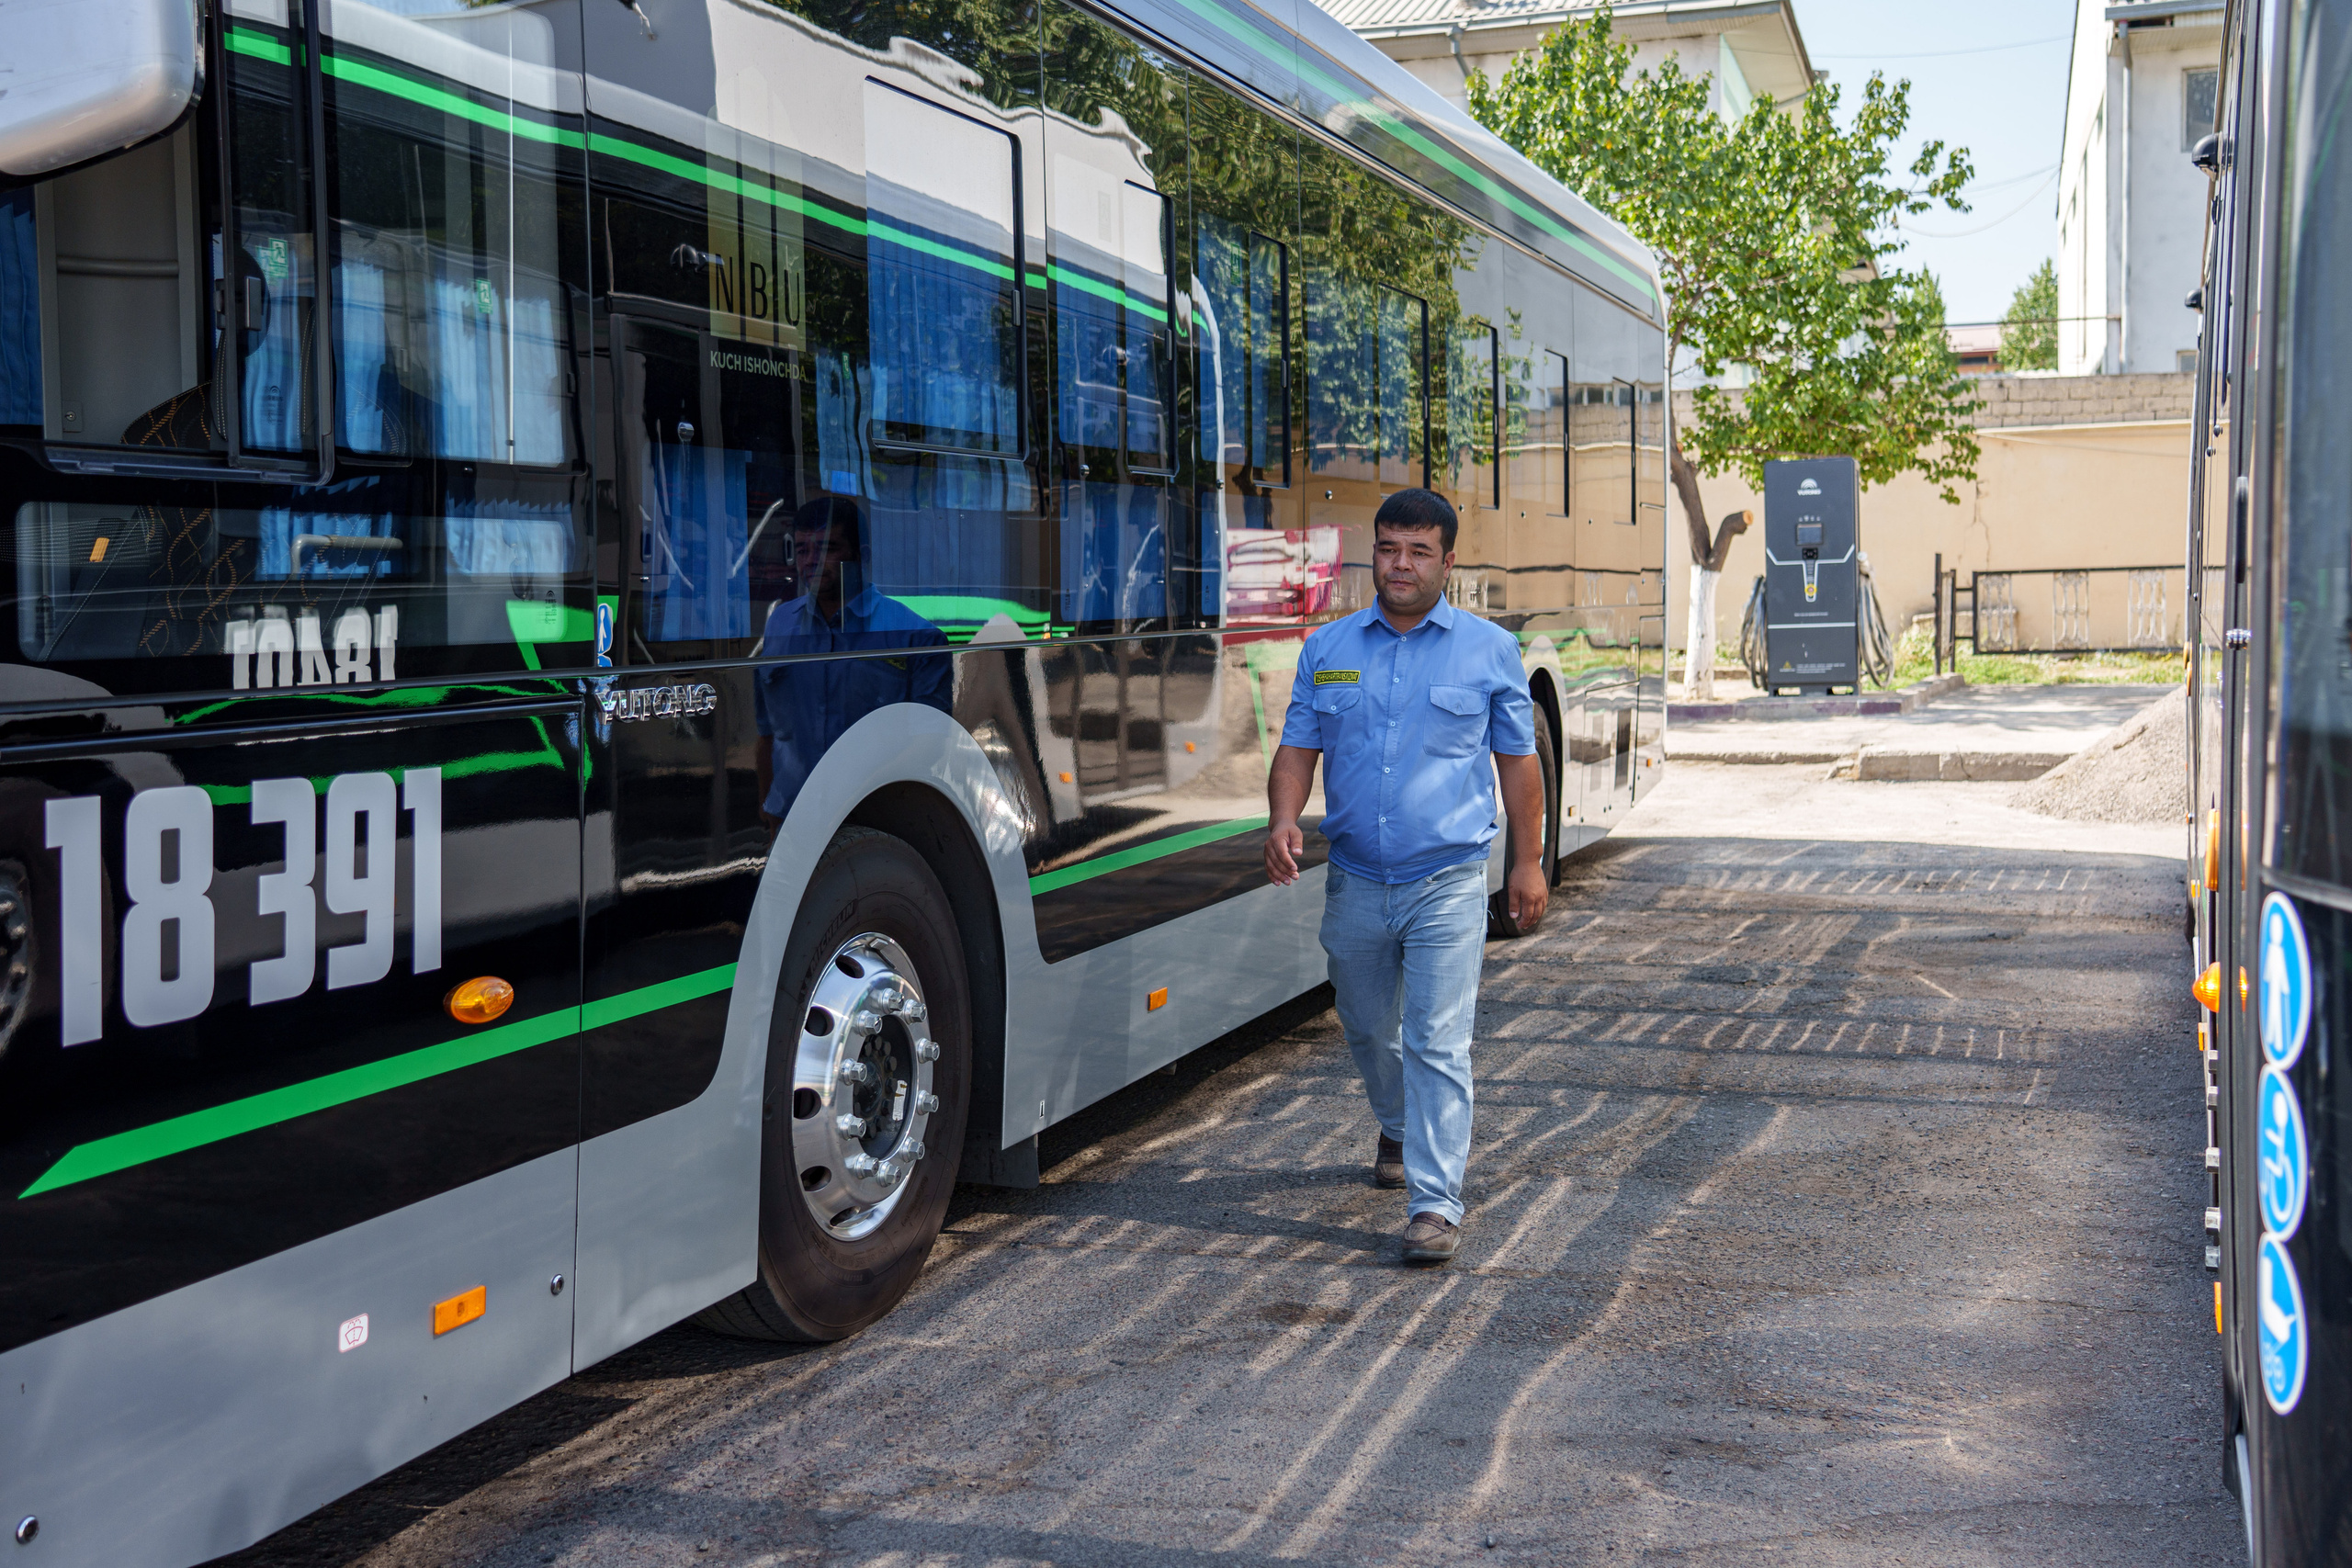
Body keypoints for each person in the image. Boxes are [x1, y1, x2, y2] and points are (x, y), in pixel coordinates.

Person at [1263, 489, 1547, 1266]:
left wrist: (1526, 861)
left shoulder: (1488, 650)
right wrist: (1283, 817)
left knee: (1437, 1037)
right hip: (1355, 877)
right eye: (1389, 548)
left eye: (1420, 552)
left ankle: (1434, 1203)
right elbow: (1297, 748)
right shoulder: (1328, 648)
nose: (1401, 565)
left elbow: (1517, 766)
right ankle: (1395, 1121)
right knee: (1365, 1026)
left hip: (1448, 880)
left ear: (1448, 562)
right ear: (1373, 555)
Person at [754, 496, 950, 829]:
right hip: (793, 820)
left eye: (827, 549)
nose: (812, 562)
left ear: (864, 556)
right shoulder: (780, 624)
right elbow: (767, 733)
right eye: (802, 550)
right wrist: (767, 809)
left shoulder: (915, 637)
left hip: (879, 826)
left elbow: (929, 751)